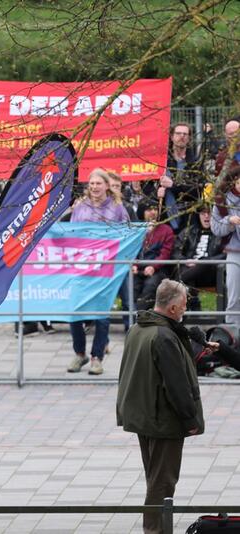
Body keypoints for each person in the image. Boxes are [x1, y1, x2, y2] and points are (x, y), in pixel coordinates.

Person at [117, 279, 205, 534]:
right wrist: (190, 421)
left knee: (155, 477)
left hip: (143, 415)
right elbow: (176, 385)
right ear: (174, 309)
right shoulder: (164, 337)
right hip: (163, 420)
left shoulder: (139, 328)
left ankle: (155, 527)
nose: (186, 310)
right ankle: (155, 530)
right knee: (162, 482)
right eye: (185, 305)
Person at [68, 169, 130, 374]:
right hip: (82, 267)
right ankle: (79, 354)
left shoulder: (117, 208)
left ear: (106, 185)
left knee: (102, 315)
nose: (94, 187)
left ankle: (97, 357)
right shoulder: (80, 208)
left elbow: (127, 233)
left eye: (98, 183)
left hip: (106, 269)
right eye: (91, 183)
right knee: (75, 312)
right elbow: (72, 234)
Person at [173, 205, 226, 311]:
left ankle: (176, 283)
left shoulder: (222, 232)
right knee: (185, 271)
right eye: (203, 213)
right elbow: (175, 251)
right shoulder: (188, 231)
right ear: (198, 216)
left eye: (209, 213)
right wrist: (185, 260)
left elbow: (225, 254)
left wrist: (204, 262)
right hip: (190, 271)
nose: (206, 216)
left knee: (201, 265)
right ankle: (193, 305)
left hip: (211, 272)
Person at [210, 167, 240, 334]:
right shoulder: (222, 200)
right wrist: (230, 221)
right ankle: (234, 333)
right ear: (234, 180)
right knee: (234, 294)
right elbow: (216, 228)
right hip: (235, 251)